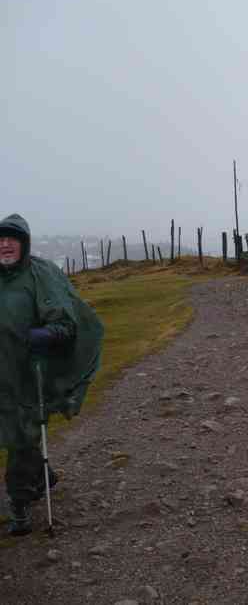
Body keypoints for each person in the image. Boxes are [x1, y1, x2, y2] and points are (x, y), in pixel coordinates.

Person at [0, 214, 103, 535]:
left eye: (12, 238)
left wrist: (47, 334)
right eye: (0, 238)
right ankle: (43, 477)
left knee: (20, 437)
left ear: (24, 243)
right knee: (16, 436)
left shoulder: (40, 275)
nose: (5, 244)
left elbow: (65, 321)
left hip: (29, 375)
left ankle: (18, 504)